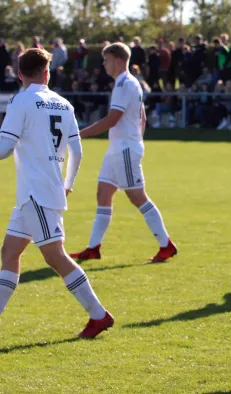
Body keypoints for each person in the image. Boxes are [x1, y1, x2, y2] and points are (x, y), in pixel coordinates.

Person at [0, 48, 113, 338]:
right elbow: (76, 149)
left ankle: (98, 315)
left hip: (36, 193)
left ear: (20, 74)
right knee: (9, 253)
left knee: (55, 256)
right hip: (37, 193)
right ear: (47, 72)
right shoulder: (63, 104)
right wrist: (68, 181)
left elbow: (4, 147)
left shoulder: (21, 101)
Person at [69, 42, 177, 263]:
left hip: (124, 149)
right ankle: (93, 248)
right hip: (119, 149)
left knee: (137, 197)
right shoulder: (127, 83)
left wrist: (81, 134)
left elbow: (112, 119)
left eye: (106, 60)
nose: (104, 64)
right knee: (103, 193)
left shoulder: (124, 84)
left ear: (118, 60)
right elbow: (142, 117)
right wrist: (135, 140)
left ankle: (166, 245)